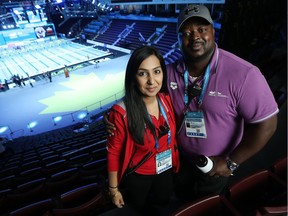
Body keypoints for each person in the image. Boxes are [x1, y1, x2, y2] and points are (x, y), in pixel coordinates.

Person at [105, 4, 278, 202]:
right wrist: (111, 115)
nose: (194, 36)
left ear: (213, 31)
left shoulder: (244, 74)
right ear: (179, 39)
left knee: (207, 205)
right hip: (180, 159)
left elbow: (267, 124)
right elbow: (140, 92)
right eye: (186, 32)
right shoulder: (167, 72)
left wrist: (230, 163)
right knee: (182, 199)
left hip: (216, 164)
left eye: (202, 29)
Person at [106, 45, 180, 215]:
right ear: (133, 77)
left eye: (156, 71)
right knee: (139, 207)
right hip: (139, 174)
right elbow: (113, 153)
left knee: (164, 202)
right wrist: (113, 189)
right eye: (142, 73)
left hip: (166, 168)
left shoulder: (167, 99)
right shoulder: (122, 112)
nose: (152, 81)